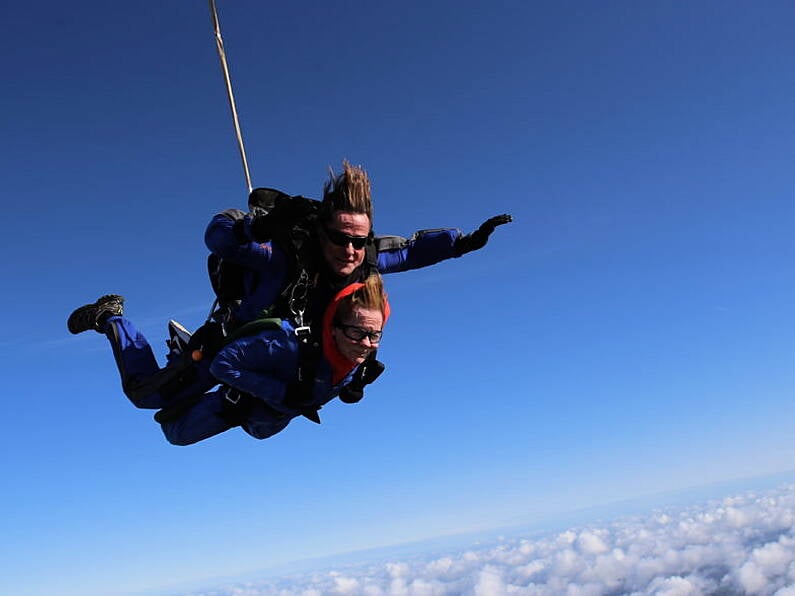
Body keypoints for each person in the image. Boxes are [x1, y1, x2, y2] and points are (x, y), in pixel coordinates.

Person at [66, 274, 390, 446]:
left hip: (249, 401)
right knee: (145, 394)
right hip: (225, 364)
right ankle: (110, 316)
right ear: (333, 330)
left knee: (176, 434)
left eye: (373, 336)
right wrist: (280, 394)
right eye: (358, 334)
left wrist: (353, 388)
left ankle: (182, 357)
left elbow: (335, 378)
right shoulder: (286, 344)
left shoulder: (358, 355)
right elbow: (225, 364)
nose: (366, 344)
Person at [205, 160, 512, 328]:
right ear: (321, 233)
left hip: (286, 344)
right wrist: (257, 228)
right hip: (238, 327)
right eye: (340, 238)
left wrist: (464, 243)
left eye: (359, 241)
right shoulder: (285, 252)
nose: (350, 250)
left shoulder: (366, 257)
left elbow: (409, 252)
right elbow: (218, 239)